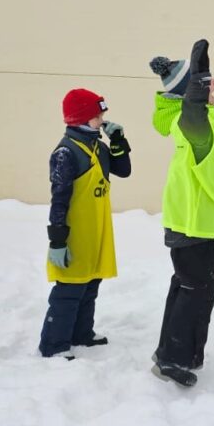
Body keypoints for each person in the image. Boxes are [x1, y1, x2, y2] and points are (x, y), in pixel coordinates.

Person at [150, 39, 214, 388]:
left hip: (192, 221)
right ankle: (173, 359)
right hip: (190, 222)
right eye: (207, 81)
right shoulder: (192, 125)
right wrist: (198, 86)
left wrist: (200, 88)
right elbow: (193, 117)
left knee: (189, 286)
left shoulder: (194, 120)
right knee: (194, 289)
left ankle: (176, 353)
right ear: (192, 92)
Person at [39, 88, 132, 359]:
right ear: (81, 118)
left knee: (90, 285)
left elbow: (123, 170)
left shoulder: (97, 147)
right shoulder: (66, 153)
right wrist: (57, 240)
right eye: (98, 115)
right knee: (69, 290)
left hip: (96, 231)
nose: (103, 119)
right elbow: (59, 200)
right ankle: (54, 345)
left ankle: (82, 333)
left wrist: (118, 140)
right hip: (75, 234)